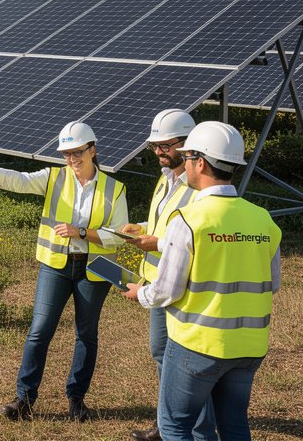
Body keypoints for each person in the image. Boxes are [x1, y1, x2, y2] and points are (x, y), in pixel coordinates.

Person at [122, 121, 281, 441]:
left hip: (200, 344)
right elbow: (272, 282)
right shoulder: (263, 218)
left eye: (187, 156)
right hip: (249, 347)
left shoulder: (190, 220)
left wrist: (141, 294)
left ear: (200, 162)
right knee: (234, 425)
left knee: (174, 426)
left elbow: (166, 290)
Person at [0, 121, 129, 423]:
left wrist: (80, 232)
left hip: (93, 269)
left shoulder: (114, 189)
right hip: (55, 265)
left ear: (93, 149)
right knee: (39, 332)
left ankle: (76, 400)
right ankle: (24, 399)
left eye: (77, 152)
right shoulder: (54, 178)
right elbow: (22, 180)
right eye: (66, 153)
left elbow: (119, 234)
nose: (71, 159)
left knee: (86, 335)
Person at [120, 109, 215, 441]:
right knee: (162, 355)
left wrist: (156, 242)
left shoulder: (199, 186)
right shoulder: (165, 179)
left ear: (188, 145)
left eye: (165, 145)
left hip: (183, 286)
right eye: (154, 146)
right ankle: (167, 424)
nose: (159, 152)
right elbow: (169, 226)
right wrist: (142, 229)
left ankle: (200, 431)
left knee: (189, 367)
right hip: (158, 281)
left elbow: (198, 236)